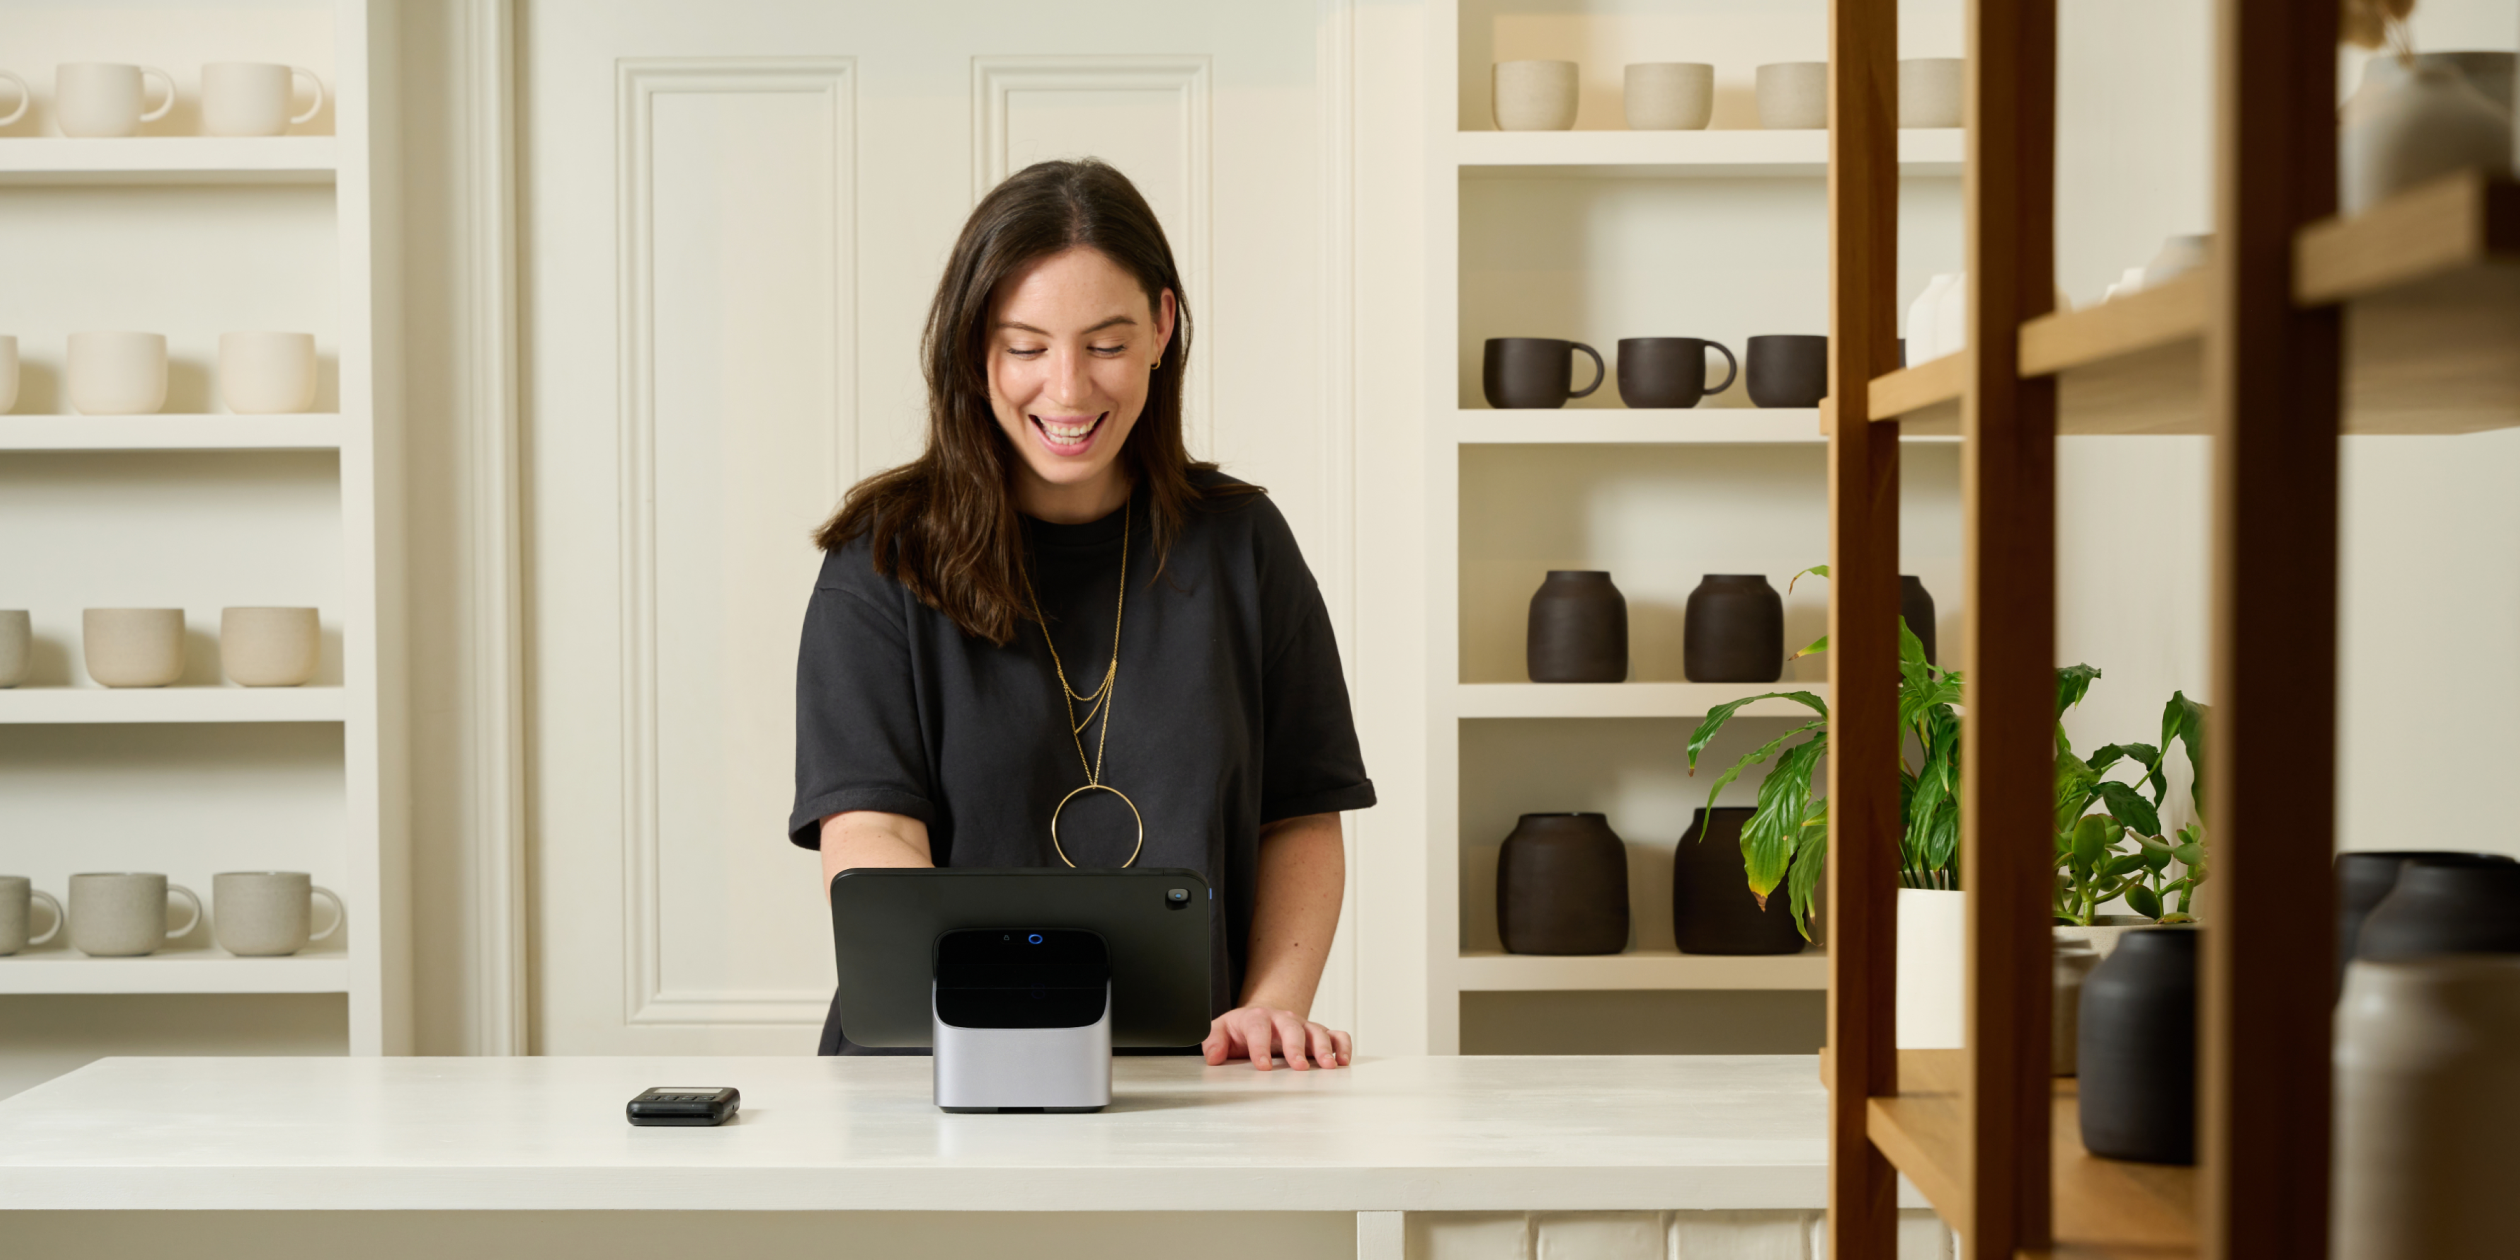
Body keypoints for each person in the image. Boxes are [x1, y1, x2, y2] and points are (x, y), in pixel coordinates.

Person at [789, 158, 1374, 1070]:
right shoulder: (882, 558)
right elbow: (872, 836)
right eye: (1025, 347)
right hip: (931, 1074)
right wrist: (999, 1022)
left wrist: (1270, 1009)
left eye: (1105, 343)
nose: (1066, 390)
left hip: (1191, 1076)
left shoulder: (1244, 545)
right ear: (973, 346)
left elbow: (1299, 816)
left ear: (1161, 328)